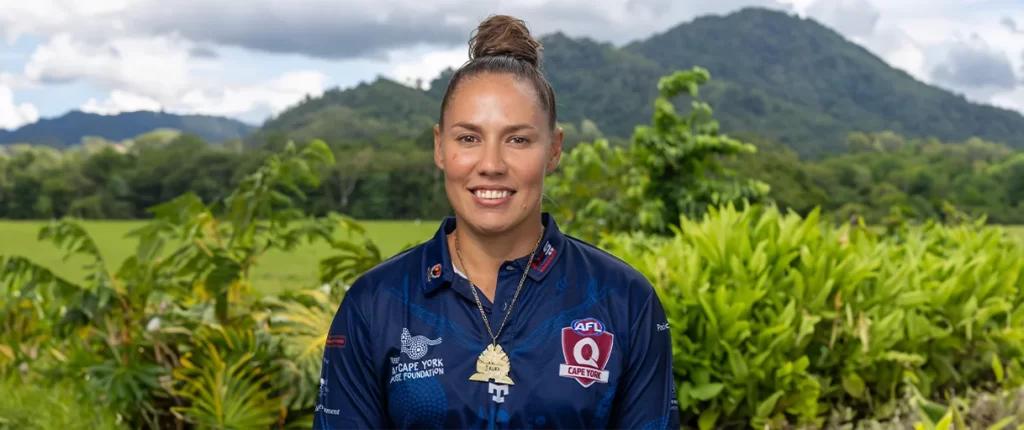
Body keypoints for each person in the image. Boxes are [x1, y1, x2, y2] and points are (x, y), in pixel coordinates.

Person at [314, 14, 679, 430]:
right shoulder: (375, 303)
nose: (491, 164)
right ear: (439, 147)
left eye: (518, 139)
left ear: (554, 150)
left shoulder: (624, 300)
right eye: (469, 138)